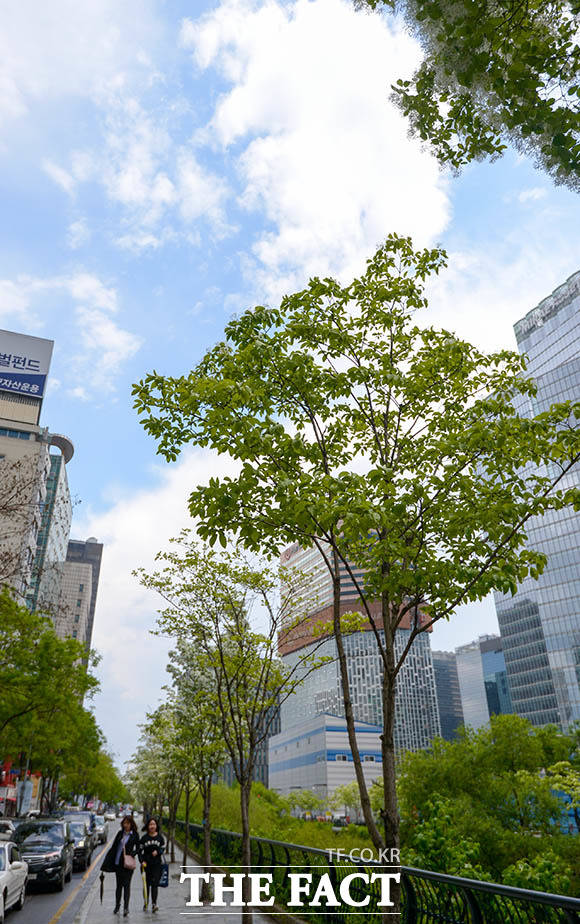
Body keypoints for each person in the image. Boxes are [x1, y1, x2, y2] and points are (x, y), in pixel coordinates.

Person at [101, 815, 140, 916]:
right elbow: (114, 848)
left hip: (128, 864)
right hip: (118, 863)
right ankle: (117, 905)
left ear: (131, 824)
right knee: (118, 886)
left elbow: (139, 848)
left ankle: (126, 908)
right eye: (124, 823)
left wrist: (133, 854)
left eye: (128, 823)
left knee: (127, 885)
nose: (126, 825)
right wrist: (106, 862)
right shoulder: (119, 834)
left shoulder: (135, 835)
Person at [139, 817, 165, 913]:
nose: (152, 826)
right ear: (147, 826)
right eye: (150, 824)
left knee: (155, 884)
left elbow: (162, 849)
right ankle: (146, 902)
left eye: (154, 824)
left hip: (156, 865)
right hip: (146, 865)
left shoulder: (160, 838)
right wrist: (141, 861)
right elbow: (139, 851)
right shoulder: (144, 838)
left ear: (156, 826)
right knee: (146, 885)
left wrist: (158, 852)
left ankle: (154, 903)